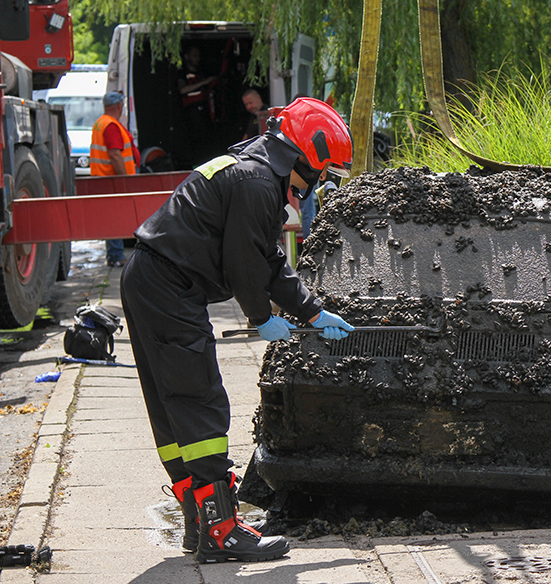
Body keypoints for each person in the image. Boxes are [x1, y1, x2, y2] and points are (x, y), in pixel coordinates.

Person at [120, 97, 355, 563]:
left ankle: (200, 521)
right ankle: (222, 529)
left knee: (175, 407)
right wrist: (262, 317)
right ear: (305, 159)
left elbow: (265, 259)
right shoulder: (255, 183)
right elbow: (246, 262)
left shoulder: (252, 170)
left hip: (152, 280)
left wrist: (310, 312)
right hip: (169, 285)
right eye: (323, 172)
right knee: (198, 397)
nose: (319, 183)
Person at [89, 90, 139, 267]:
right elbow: (115, 155)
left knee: (112, 217)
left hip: (104, 178)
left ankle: (115, 255)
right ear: (119, 106)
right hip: (112, 179)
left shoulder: (101, 123)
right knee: (116, 217)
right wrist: (125, 179)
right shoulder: (110, 125)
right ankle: (116, 256)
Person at [178, 46, 217, 164]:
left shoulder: (201, 73)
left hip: (205, 112)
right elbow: (182, 90)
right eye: (194, 55)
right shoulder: (183, 73)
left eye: (198, 56)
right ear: (186, 56)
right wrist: (204, 82)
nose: (197, 59)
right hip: (192, 112)